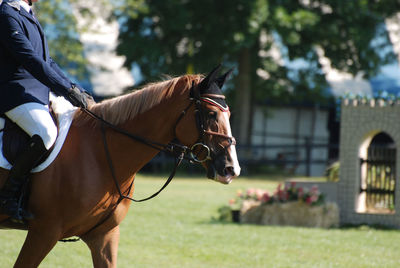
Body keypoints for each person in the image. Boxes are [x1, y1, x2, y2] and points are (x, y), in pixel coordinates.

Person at [0, 0, 92, 221]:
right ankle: (8, 198)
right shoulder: (5, 13)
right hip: (14, 94)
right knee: (46, 132)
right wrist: (65, 90)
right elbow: (30, 60)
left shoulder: (28, 13)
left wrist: (75, 89)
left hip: (37, 92)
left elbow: (47, 61)